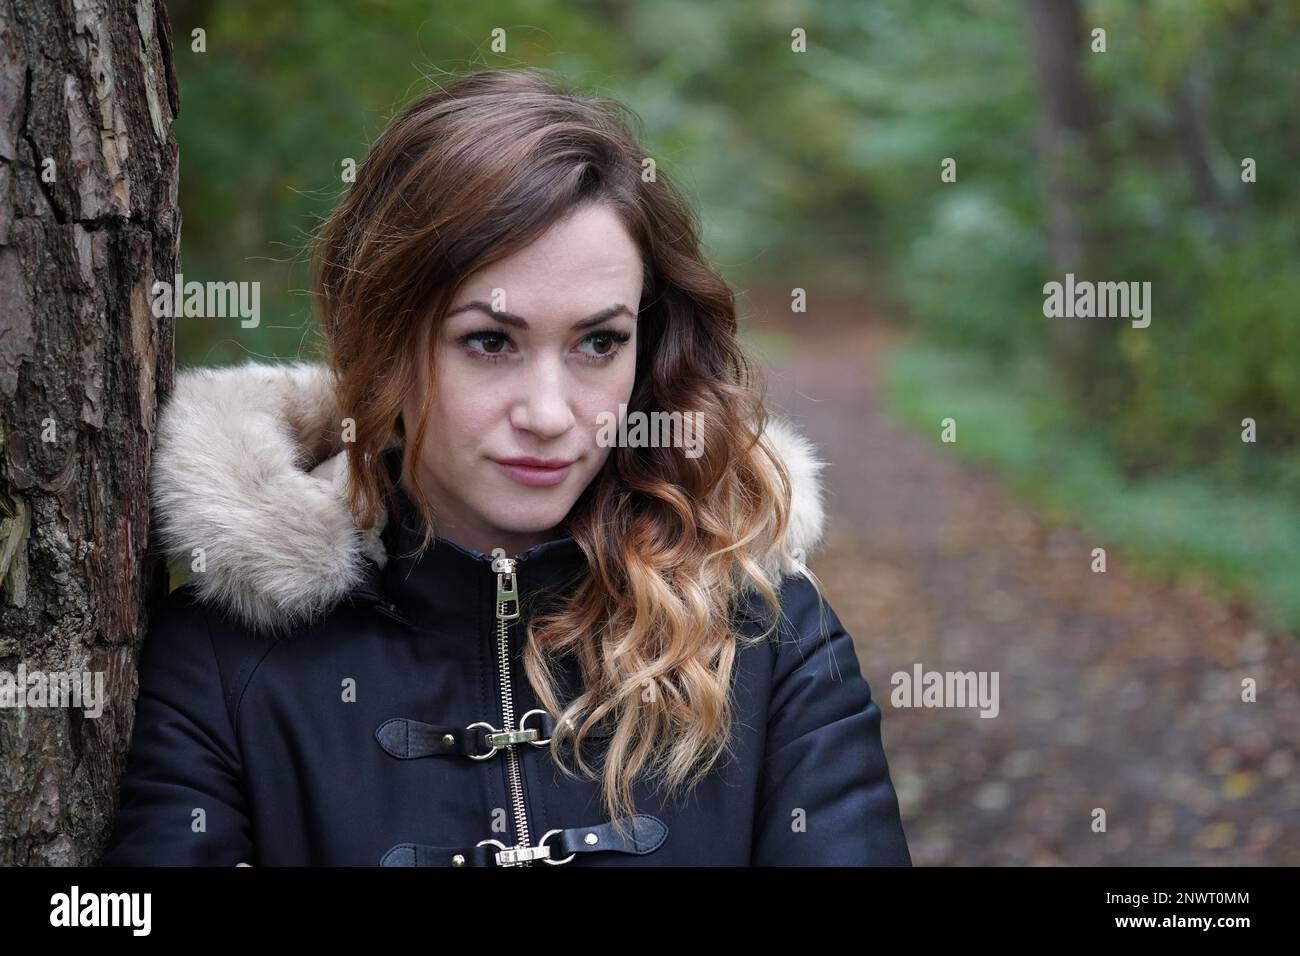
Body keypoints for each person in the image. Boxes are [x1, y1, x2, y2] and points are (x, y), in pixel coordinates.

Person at [100, 67, 911, 867]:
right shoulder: (226, 654)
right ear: (384, 345)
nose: (551, 414)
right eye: (489, 342)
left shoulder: (771, 630)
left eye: (600, 343)